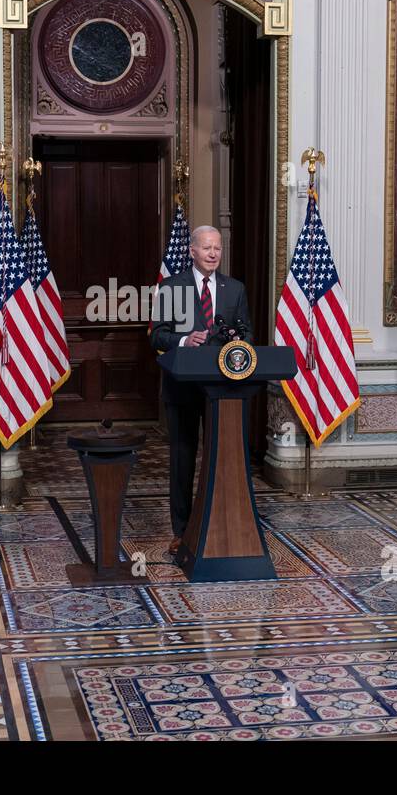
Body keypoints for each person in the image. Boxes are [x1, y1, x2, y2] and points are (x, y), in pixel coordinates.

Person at [150, 225, 253, 556]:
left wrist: (239, 341)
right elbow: (158, 336)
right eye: (207, 248)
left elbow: (247, 334)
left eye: (218, 248)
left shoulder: (234, 289)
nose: (213, 254)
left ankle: (220, 524)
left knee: (222, 458)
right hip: (182, 389)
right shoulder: (171, 287)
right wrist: (184, 340)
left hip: (223, 389)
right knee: (183, 459)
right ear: (192, 251)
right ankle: (181, 531)